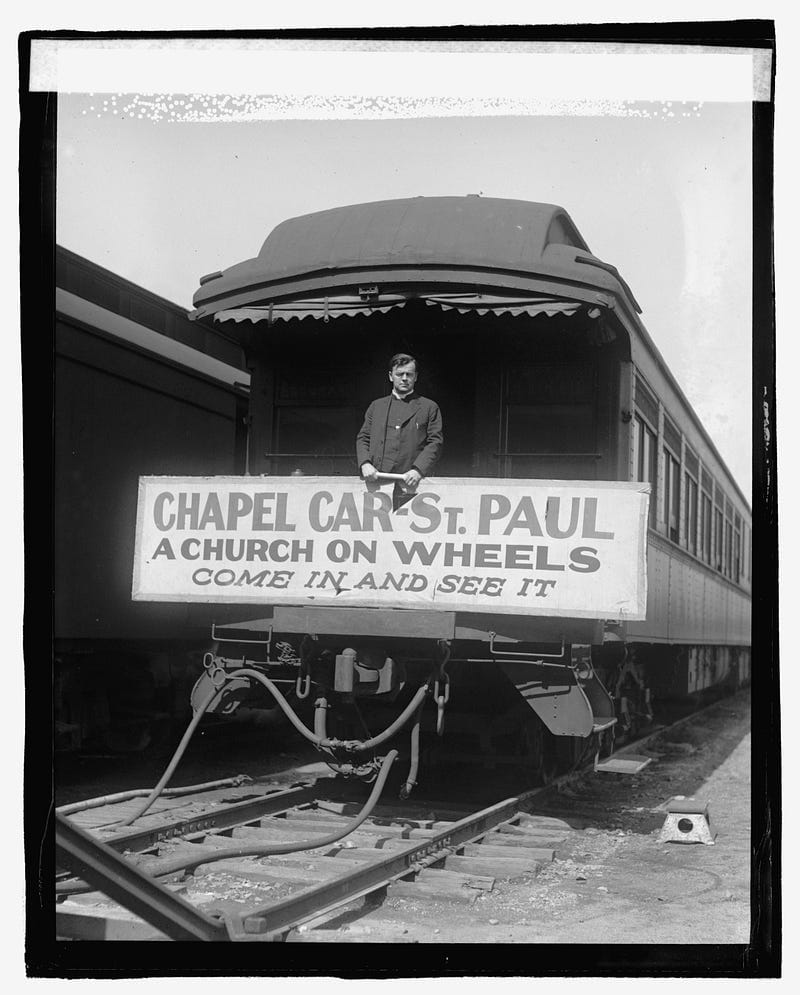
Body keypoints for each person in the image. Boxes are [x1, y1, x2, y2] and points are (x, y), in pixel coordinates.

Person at [356, 353, 443, 490]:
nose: (404, 379)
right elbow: (363, 438)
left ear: (416, 377)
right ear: (391, 376)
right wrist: (365, 463)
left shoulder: (429, 407)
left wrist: (418, 470)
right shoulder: (376, 406)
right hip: (377, 481)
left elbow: (435, 442)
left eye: (409, 374)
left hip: (412, 483)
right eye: (399, 374)